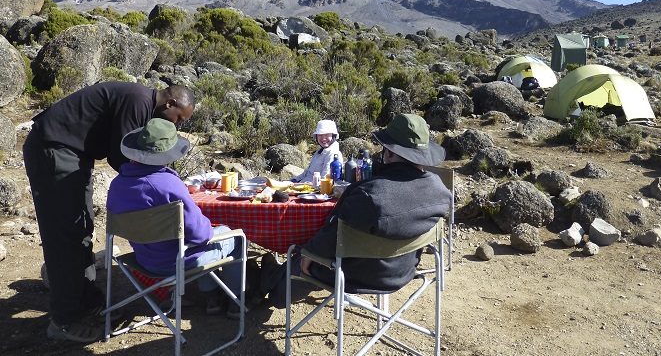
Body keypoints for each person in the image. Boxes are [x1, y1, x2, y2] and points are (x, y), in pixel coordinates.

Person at [23, 81, 195, 343]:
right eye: (179, 118)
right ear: (169, 103)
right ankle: (64, 321)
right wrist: (159, 187)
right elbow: (123, 157)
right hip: (53, 147)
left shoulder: (144, 104)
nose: (177, 125)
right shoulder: (138, 102)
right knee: (65, 235)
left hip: (75, 154)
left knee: (82, 229)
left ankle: (87, 301)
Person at [254, 113, 452, 308]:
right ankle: (267, 277)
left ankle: (263, 284)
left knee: (302, 261)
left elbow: (330, 235)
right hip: (404, 270)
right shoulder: (440, 191)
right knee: (306, 257)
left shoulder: (369, 194)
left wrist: (310, 252)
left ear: (389, 152)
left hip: (354, 274)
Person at [107, 118, 245, 318]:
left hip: (144, 260)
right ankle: (237, 302)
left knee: (195, 239)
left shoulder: (117, 185)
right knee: (233, 237)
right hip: (175, 262)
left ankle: (213, 298)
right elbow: (201, 235)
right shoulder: (167, 183)